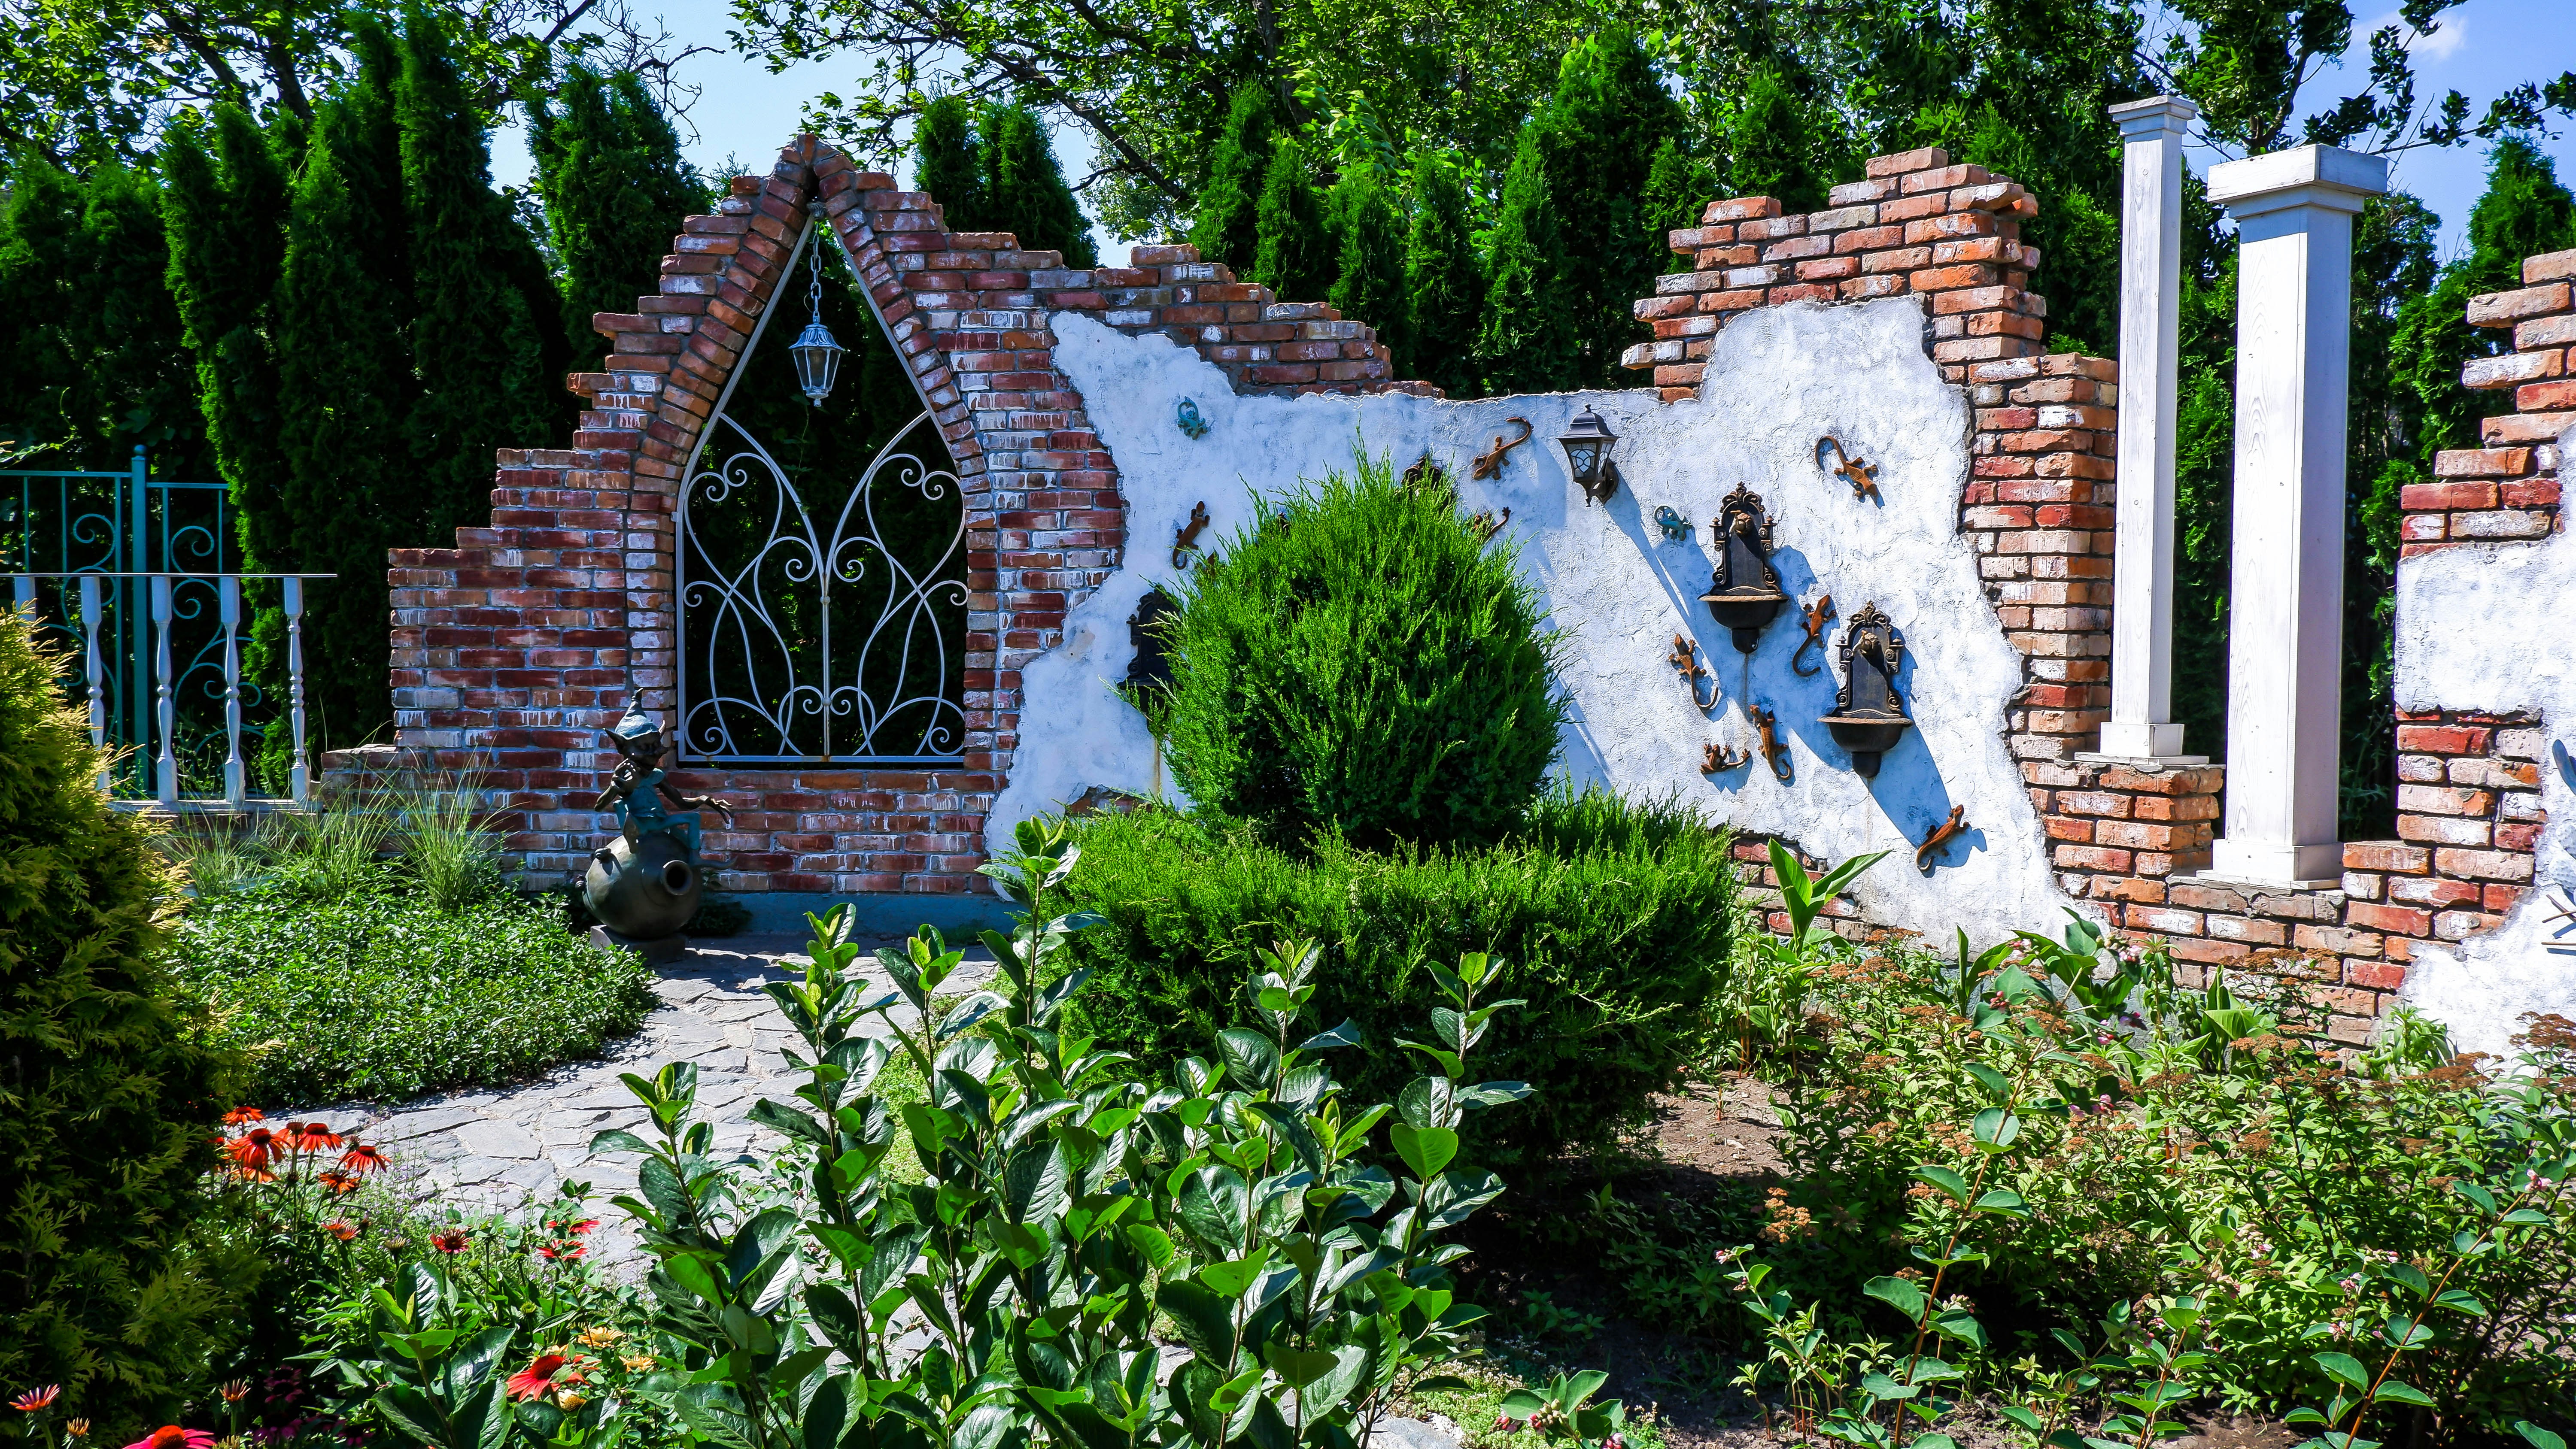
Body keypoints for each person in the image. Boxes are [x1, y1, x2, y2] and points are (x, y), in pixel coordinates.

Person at [591, 691, 734, 866]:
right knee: (620, 805)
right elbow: (599, 806)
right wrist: (614, 786)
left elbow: (681, 803)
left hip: (659, 821)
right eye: (645, 748)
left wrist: (705, 800)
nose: (654, 754)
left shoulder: (657, 776)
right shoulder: (623, 778)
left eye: (656, 746)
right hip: (639, 826)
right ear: (623, 747)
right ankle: (633, 842)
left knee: (694, 818)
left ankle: (694, 856)